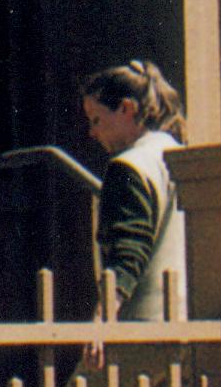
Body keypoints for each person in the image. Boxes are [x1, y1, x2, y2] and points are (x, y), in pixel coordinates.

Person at [79, 61, 187, 326]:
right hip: (183, 317)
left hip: (141, 323)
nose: (92, 132)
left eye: (96, 119)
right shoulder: (179, 157)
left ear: (127, 109)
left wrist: (103, 317)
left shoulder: (128, 166)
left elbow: (128, 252)